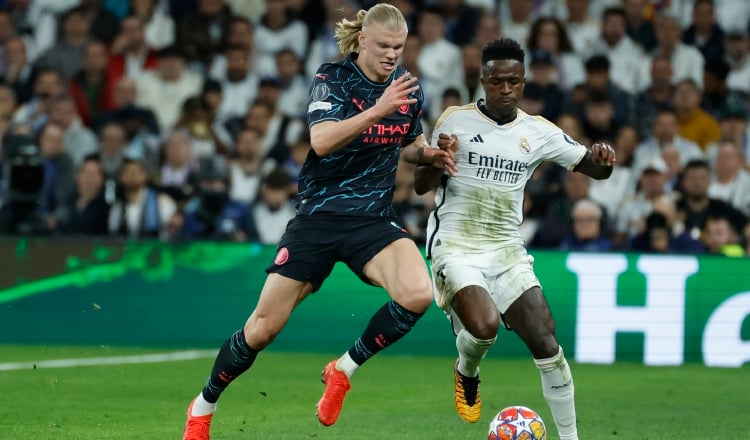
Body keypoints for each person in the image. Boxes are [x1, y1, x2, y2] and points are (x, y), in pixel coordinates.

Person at [181, 4, 457, 439]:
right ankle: (202, 406)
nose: (391, 55)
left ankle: (342, 369)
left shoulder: (408, 89)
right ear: (363, 40)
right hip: (319, 218)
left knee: (419, 295)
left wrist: (429, 154)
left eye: (399, 48)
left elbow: (407, 142)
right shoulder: (333, 79)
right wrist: (377, 109)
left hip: (372, 219)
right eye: (384, 46)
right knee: (261, 329)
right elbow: (322, 140)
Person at [413, 38, 616, 440]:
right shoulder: (454, 121)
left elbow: (594, 170)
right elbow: (422, 186)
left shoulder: (538, 131)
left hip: (506, 247)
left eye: (514, 81)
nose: (506, 89)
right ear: (483, 81)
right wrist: (440, 158)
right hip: (455, 243)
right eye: (497, 81)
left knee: (546, 342)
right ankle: (466, 371)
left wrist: (604, 159)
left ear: (523, 83)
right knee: (485, 326)